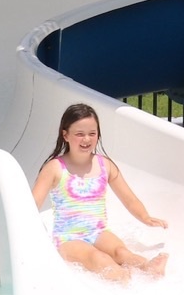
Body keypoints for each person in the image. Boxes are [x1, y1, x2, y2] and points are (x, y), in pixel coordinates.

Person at [32, 102, 169, 283]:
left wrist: (145, 217)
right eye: (79, 134)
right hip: (68, 239)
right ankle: (123, 279)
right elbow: (32, 205)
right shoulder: (55, 168)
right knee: (98, 258)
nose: (86, 139)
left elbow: (129, 199)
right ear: (65, 135)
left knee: (121, 252)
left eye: (92, 133)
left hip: (98, 232)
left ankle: (148, 268)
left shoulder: (105, 165)